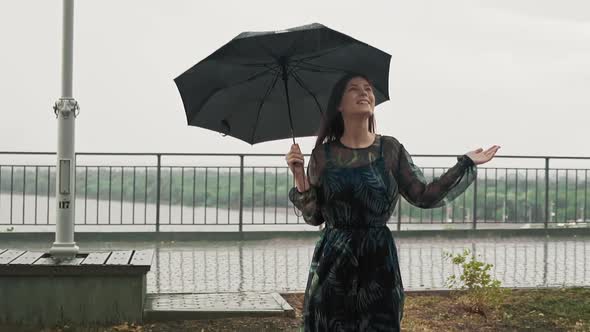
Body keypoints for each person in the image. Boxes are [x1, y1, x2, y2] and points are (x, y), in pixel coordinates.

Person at [285, 73, 500, 331]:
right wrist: (299, 176)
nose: (364, 93)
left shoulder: (390, 149)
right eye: (354, 89)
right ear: (339, 105)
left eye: (368, 88)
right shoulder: (323, 155)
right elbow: (315, 217)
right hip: (334, 262)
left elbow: (424, 195)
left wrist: (464, 163)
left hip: (378, 261)